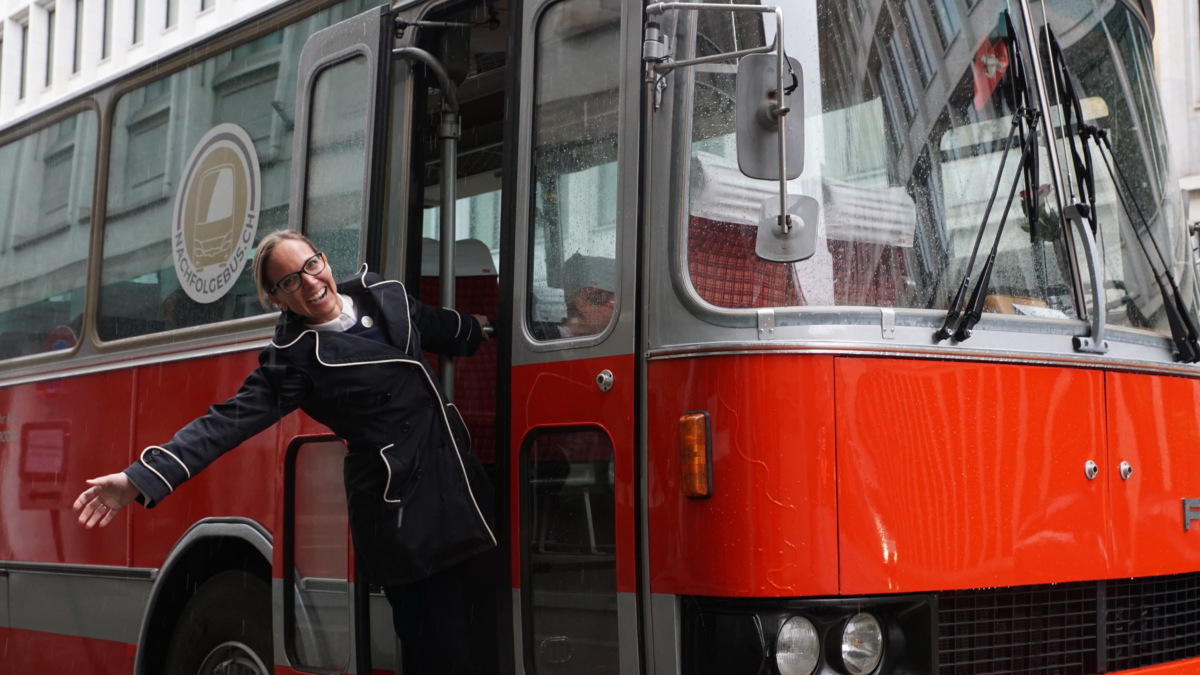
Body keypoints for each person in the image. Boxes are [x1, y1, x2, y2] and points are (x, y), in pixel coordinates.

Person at [73, 229, 496, 674]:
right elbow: (224, 423)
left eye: (311, 266)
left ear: (325, 261)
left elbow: (443, 327)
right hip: (403, 515)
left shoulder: (385, 296)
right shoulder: (293, 360)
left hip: (461, 490)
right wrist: (138, 478)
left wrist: (496, 326)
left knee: (486, 636)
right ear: (277, 298)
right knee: (446, 655)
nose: (311, 283)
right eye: (290, 281)